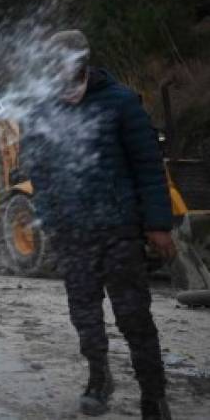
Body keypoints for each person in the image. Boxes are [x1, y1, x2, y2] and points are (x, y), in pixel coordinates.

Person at [22, 30, 175, 420]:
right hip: (73, 234)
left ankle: (153, 396)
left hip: (119, 231)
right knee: (85, 316)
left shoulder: (121, 103)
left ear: (83, 60)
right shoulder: (42, 112)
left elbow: (148, 167)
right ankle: (98, 378)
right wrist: (53, 222)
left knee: (134, 317)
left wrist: (158, 224)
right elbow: (39, 174)